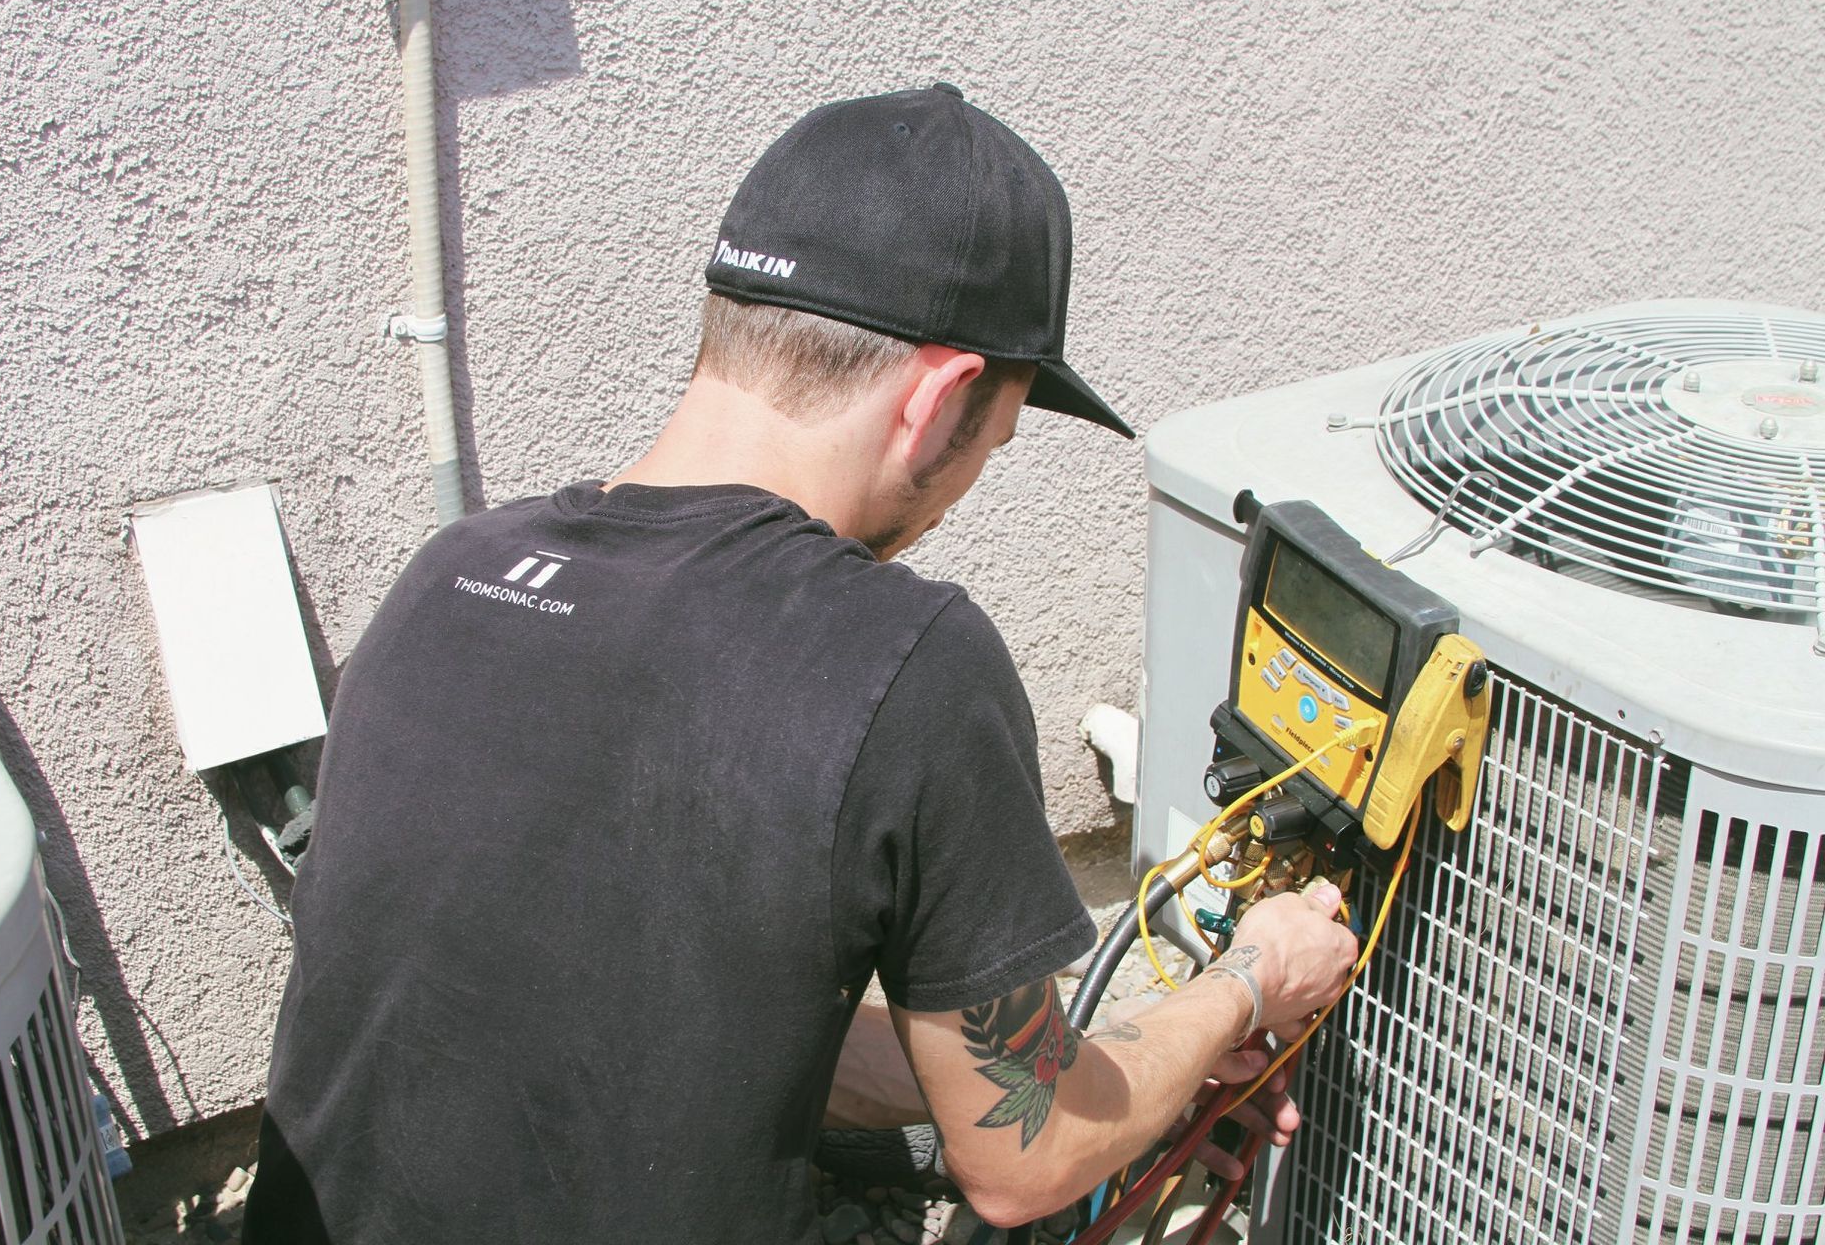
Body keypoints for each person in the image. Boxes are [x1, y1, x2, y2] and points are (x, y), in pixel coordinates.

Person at [242, 82, 1356, 1244]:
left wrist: (1123, 1064)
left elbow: (677, 1019)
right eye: (999, 439)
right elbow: (1029, 1152)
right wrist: (1250, 981)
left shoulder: (451, 574)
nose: (965, 491)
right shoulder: (907, 661)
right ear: (939, 400)